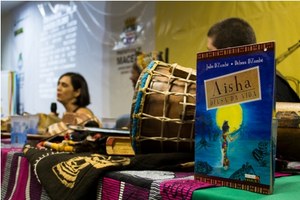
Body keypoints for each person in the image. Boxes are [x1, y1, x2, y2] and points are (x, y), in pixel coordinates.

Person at [206, 17, 299, 102]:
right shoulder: (250, 81)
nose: (208, 59)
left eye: (210, 52)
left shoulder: (269, 87)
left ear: (229, 53)